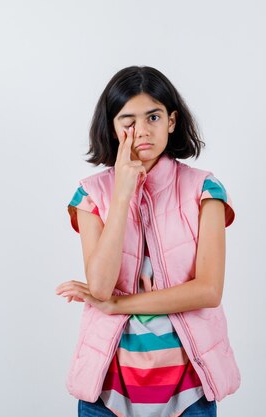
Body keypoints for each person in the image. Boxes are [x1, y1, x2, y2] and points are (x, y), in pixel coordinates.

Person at [55, 66, 241, 417]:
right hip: (107, 392)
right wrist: (123, 193)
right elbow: (100, 285)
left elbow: (208, 291)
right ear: (111, 128)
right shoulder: (91, 194)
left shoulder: (205, 190)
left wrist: (118, 305)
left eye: (153, 117)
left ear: (171, 121)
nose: (141, 131)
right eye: (128, 121)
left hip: (189, 389)